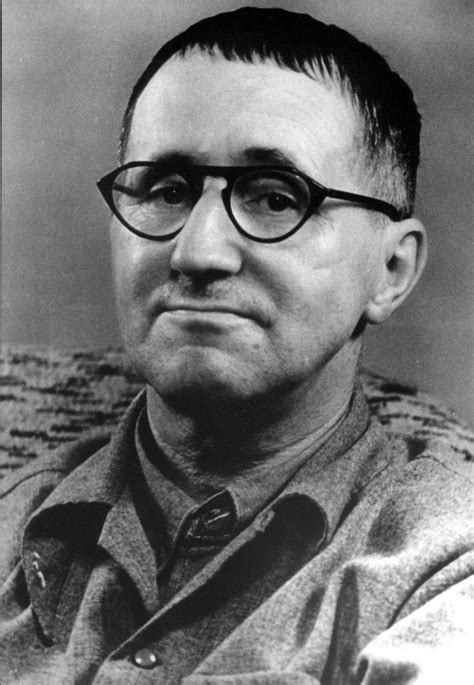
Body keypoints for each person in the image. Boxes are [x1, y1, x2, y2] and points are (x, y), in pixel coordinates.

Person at [1, 7, 473, 684]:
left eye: (276, 198)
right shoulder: (11, 522)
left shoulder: (446, 570)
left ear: (391, 269)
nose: (197, 252)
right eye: (166, 190)